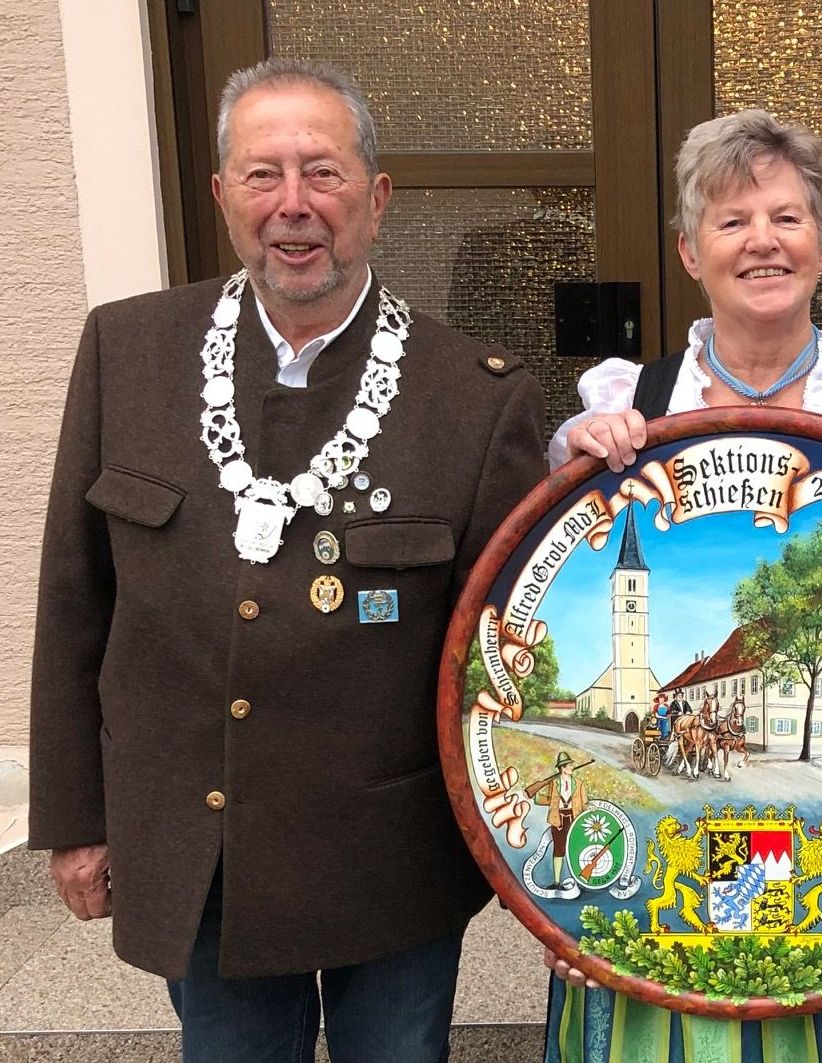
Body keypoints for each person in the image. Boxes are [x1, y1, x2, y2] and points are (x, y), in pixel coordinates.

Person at [26, 58, 546, 1063]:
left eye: (323, 172)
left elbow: (507, 656)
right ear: (223, 194)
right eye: (262, 174)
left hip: (391, 855)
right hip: (199, 845)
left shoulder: (475, 396)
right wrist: (75, 817)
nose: (293, 204)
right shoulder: (128, 351)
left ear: (376, 200)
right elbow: (72, 601)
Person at [544, 108, 822, 1063]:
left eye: (786, 217)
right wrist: (551, 891)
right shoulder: (621, 401)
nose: (761, 241)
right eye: (731, 220)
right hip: (654, 918)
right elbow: (544, 564)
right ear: (689, 251)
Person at [527, 751, 591, 888]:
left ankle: (580, 880)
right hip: (558, 819)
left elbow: (584, 803)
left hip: (574, 819)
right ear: (563, 768)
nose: (572, 767)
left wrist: (589, 809)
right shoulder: (554, 783)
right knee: (558, 850)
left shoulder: (579, 784)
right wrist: (535, 796)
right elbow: (551, 800)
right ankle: (556, 882)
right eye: (569, 765)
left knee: (576, 849)